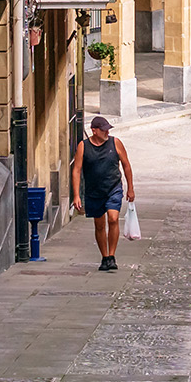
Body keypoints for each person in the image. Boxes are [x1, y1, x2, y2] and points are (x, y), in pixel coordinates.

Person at [70, 116, 134, 271]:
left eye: (107, 129)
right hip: (93, 191)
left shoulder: (115, 143)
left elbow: (126, 165)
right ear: (94, 130)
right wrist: (76, 195)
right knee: (99, 225)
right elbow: (76, 170)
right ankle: (104, 256)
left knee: (113, 218)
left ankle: (112, 256)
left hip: (113, 188)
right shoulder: (83, 146)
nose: (107, 132)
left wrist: (130, 188)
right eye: (103, 129)